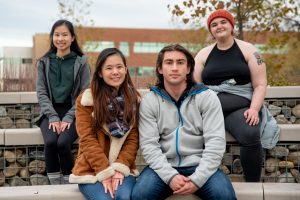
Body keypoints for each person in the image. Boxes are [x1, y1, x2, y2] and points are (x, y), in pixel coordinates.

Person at [132, 44, 236, 200]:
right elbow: (149, 145)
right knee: (140, 196)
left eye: (180, 62)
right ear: (160, 69)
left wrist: (197, 179)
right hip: (163, 166)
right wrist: (170, 176)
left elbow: (216, 143)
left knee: (224, 196)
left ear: (188, 69)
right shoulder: (150, 101)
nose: (175, 68)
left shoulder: (206, 97)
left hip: (201, 165)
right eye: (169, 62)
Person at [194, 9, 279, 182]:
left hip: (241, 104)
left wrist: (254, 109)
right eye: (214, 24)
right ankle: (199, 182)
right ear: (210, 31)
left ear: (231, 25)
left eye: (223, 22)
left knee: (250, 133)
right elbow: (196, 86)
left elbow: (260, 84)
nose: (219, 26)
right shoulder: (203, 54)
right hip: (210, 106)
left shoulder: (250, 50)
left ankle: (253, 185)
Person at [69, 48, 140, 200]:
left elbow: (133, 138)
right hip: (92, 169)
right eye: (109, 68)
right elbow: (87, 139)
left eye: (119, 67)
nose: (115, 72)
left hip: (123, 167)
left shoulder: (134, 99)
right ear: (100, 73)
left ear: (126, 70)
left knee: (123, 197)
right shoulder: (86, 100)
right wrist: (105, 172)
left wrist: (120, 168)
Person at [36, 19, 91, 184]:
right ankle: (54, 185)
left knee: (63, 143)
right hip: (49, 112)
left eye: (65, 35)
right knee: (51, 142)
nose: (60, 38)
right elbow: (41, 92)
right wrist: (52, 116)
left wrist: (68, 117)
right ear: (52, 37)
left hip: (75, 112)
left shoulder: (81, 62)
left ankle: (68, 182)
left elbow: (84, 93)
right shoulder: (44, 62)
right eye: (57, 34)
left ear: (72, 38)